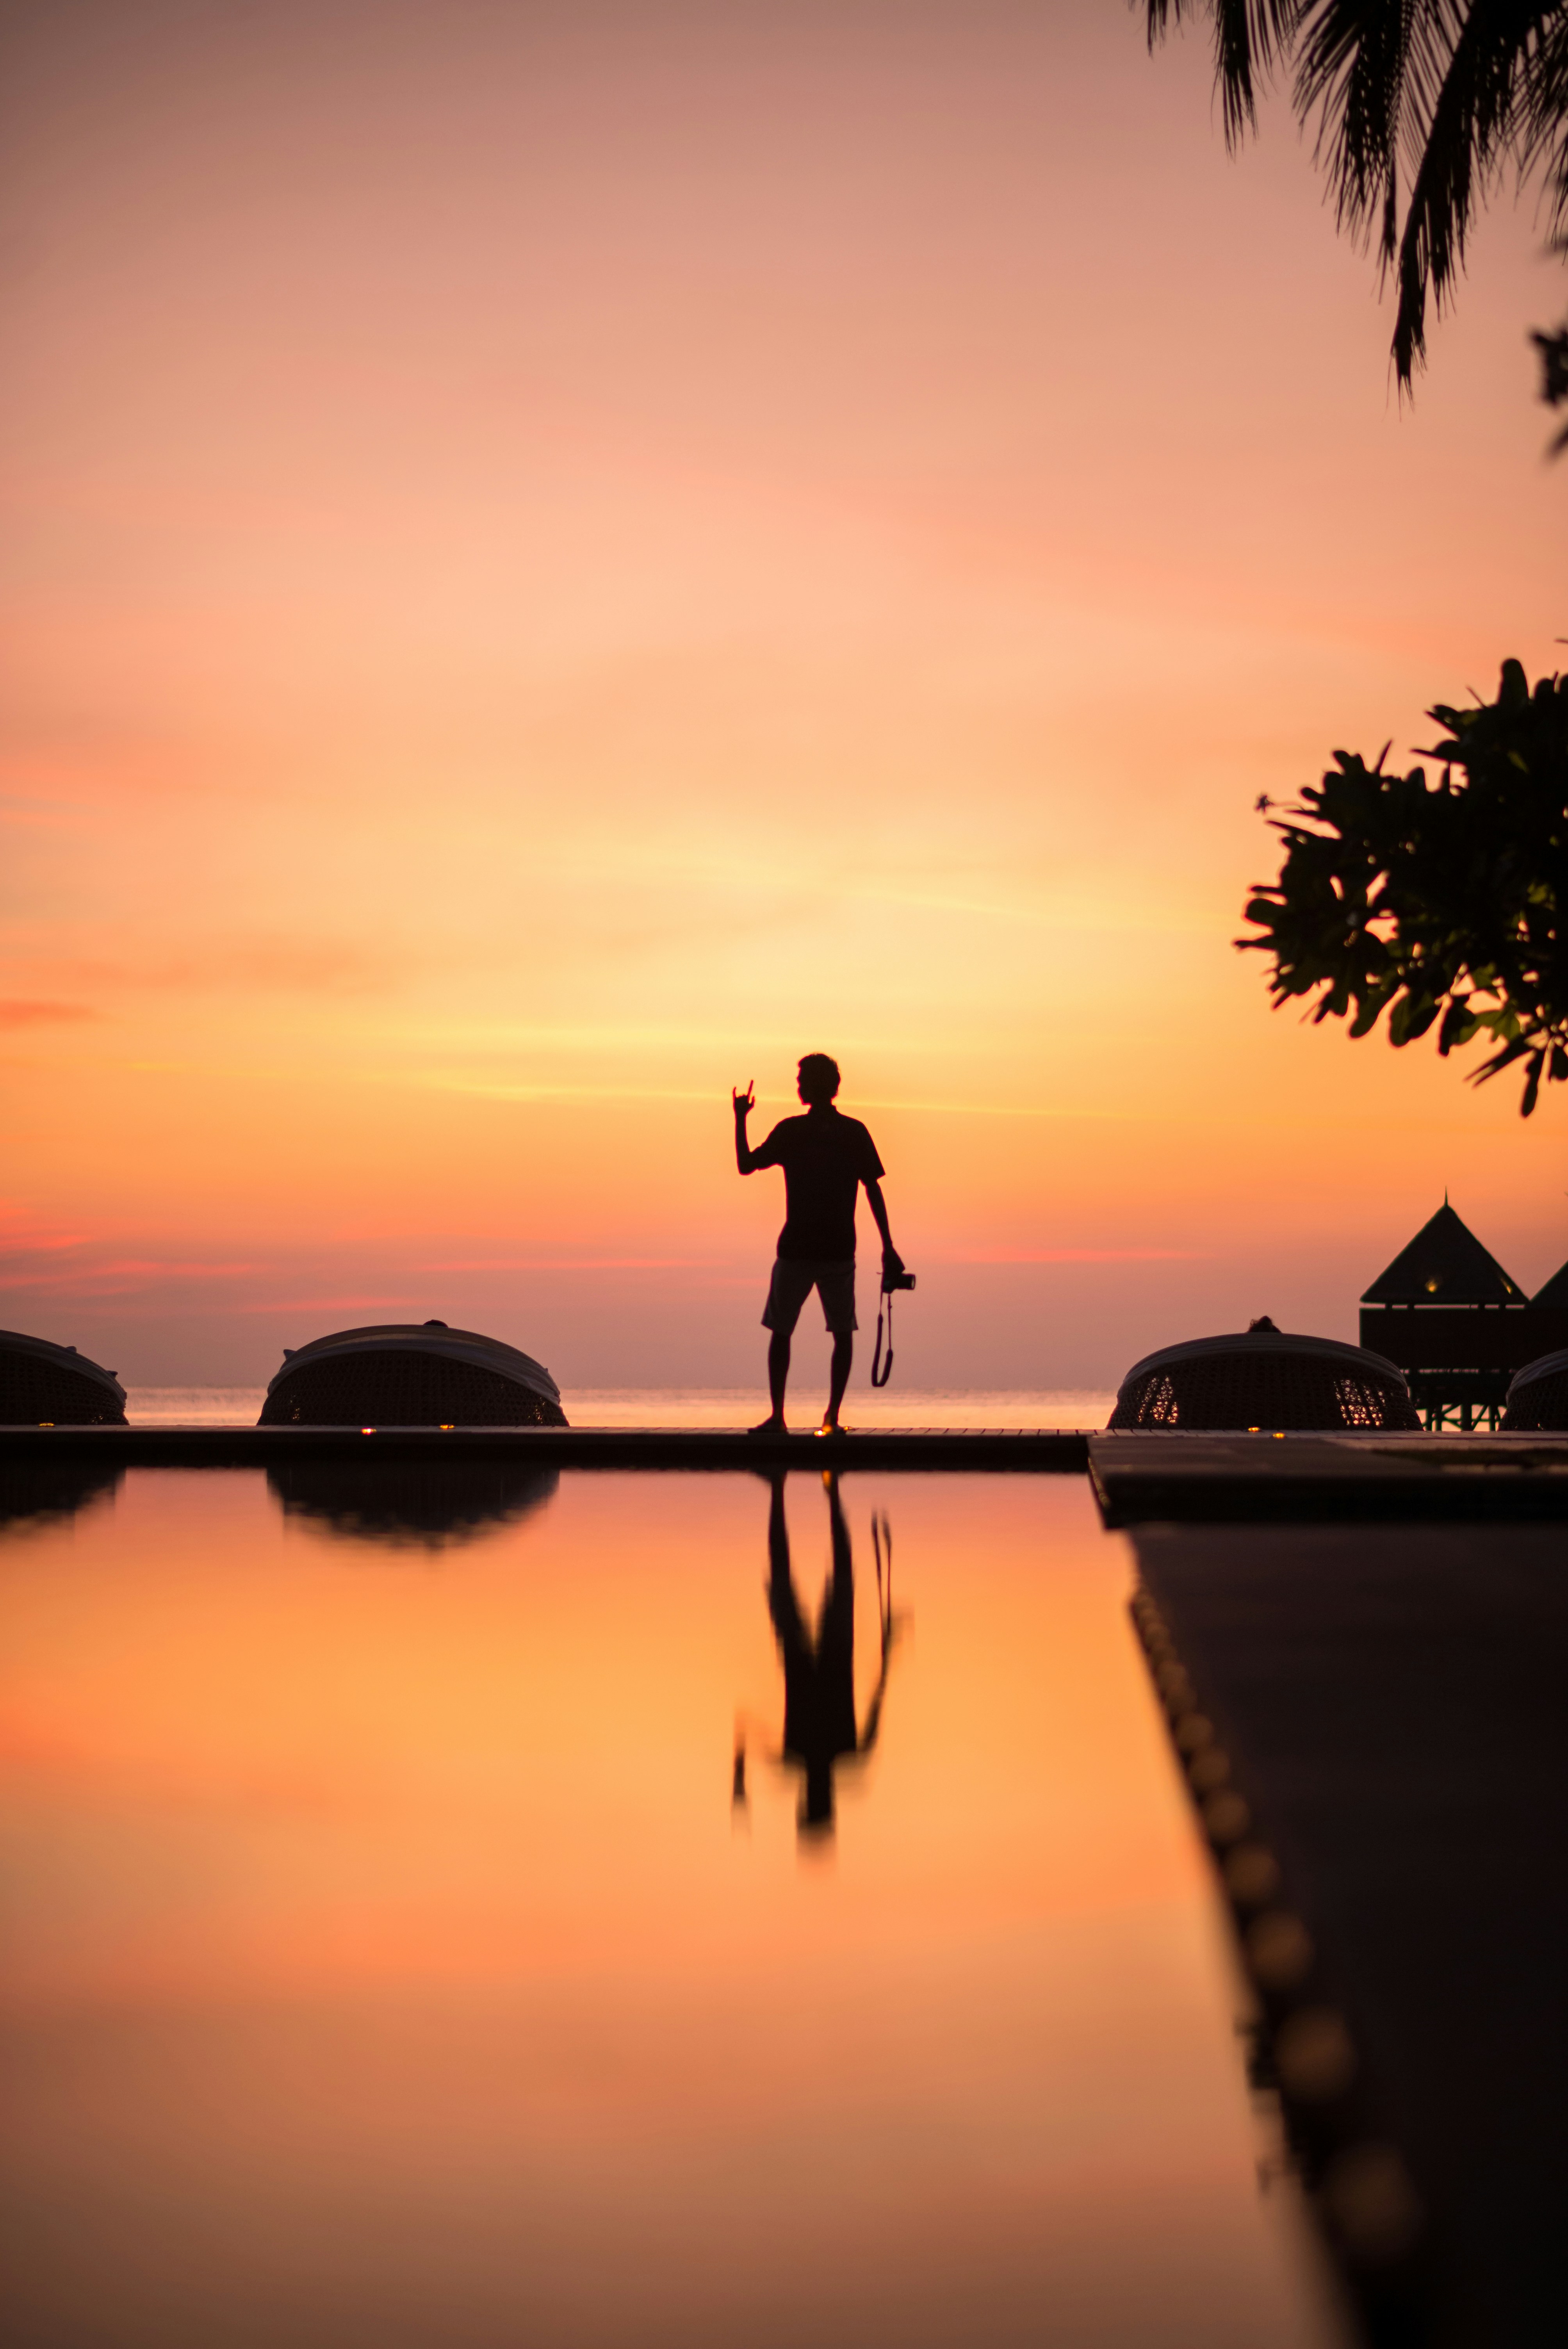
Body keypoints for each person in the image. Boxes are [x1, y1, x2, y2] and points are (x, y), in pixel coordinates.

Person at [732, 1051, 903, 1434]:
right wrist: (887, 1245)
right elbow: (872, 1188)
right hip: (831, 1248)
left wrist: (740, 1119)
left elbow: (745, 1164)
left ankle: (783, 1417)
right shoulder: (850, 1131)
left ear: (814, 1085)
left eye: (801, 1079)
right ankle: (830, 1418)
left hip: (802, 1249)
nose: (797, 1085)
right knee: (839, 1333)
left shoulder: (795, 1131)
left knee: (785, 1330)